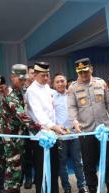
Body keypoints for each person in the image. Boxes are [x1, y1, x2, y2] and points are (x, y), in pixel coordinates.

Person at [67, 58, 109, 193]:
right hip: (86, 133)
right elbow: (72, 108)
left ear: (91, 69)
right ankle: (93, 190)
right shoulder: (73, 88)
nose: (83, 74)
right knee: (89, 166)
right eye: (80, 72)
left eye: (86, 71)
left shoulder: (101, 83)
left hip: (104, 132)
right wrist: (75, 122)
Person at [0, 64, 41, 193]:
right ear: (12, 77)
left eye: (24, 79)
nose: (23, 82)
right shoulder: (10, 93)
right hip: (11, 137)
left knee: (17, 167)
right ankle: (10, 190)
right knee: (12, 167)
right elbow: (22, 116)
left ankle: (14, 188)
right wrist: (42, 131)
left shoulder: (19, 91)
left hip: (18, 136)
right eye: (20, 79)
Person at [25, 62, 66, 193]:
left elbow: (53, 109)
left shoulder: (47, 87)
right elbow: (39, 115)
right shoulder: (31, 91)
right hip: (40, 138)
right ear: (35, 75)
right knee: (42, 170)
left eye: (47, 75)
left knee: (54, 169)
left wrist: (57, 127)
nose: (46, 78)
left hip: (52, 136)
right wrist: (54, 127)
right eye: (43, 75)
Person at [52, 73, 88, 193]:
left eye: (62, 81)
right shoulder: (51, 96)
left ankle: (82, 186)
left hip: (74, 134)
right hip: (60, 136)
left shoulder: (72, 95)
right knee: (62, 164)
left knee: (78, 162)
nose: (60, 83)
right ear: (54, 84)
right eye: (57, 81)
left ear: (66, 82)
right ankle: (66, 188)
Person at [22, 64, 36, 189]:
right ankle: (28, 177)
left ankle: (38, 177)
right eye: (32, 73)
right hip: (25, 127)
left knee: (38, 152)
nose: (34, 75)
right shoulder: (20, 89)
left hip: (38, 126)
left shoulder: (42, 88)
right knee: (27, 154)